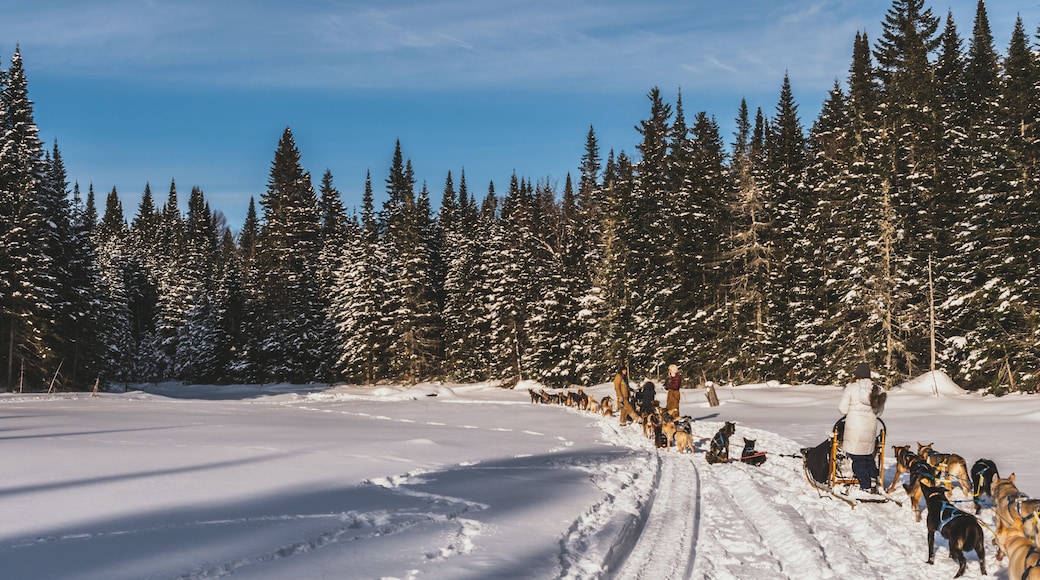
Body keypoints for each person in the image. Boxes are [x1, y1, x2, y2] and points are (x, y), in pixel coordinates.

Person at [838, 362, 887, 496]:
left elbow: (842, 409)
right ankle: (873, 479)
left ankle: (865, 486)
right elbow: (879, 413)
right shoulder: (877, 389)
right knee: (867, 455)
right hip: (870, 427)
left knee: (857, 457)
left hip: (854, 427)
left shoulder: (851, 388)